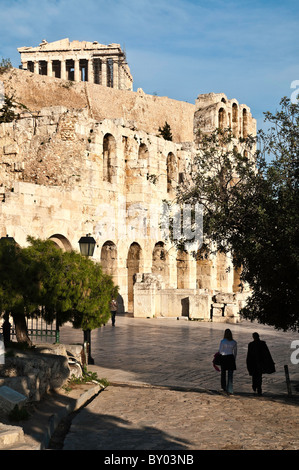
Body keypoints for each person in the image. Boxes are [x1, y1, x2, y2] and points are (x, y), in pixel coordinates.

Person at [219, 328, 237, 394]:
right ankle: (230, 389)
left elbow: (220, 351)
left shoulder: (222, 341)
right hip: (231, 358)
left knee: (223, 373)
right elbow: (235, 352)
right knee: (230, 375)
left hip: (224, 357)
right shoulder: (234, 342)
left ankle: (223, 387)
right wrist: (234, 359)